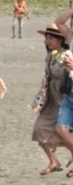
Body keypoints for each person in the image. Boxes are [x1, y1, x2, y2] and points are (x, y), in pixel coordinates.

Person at [32, 24, 73, 175]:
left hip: (65, 97)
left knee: (63, 131)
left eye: (50, 38)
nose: (47, 41)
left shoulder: (67, 54)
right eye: (46, 38)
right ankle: (53, 161)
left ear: (60, 40)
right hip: (51, 98)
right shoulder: (50, 55)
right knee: (39, 129)